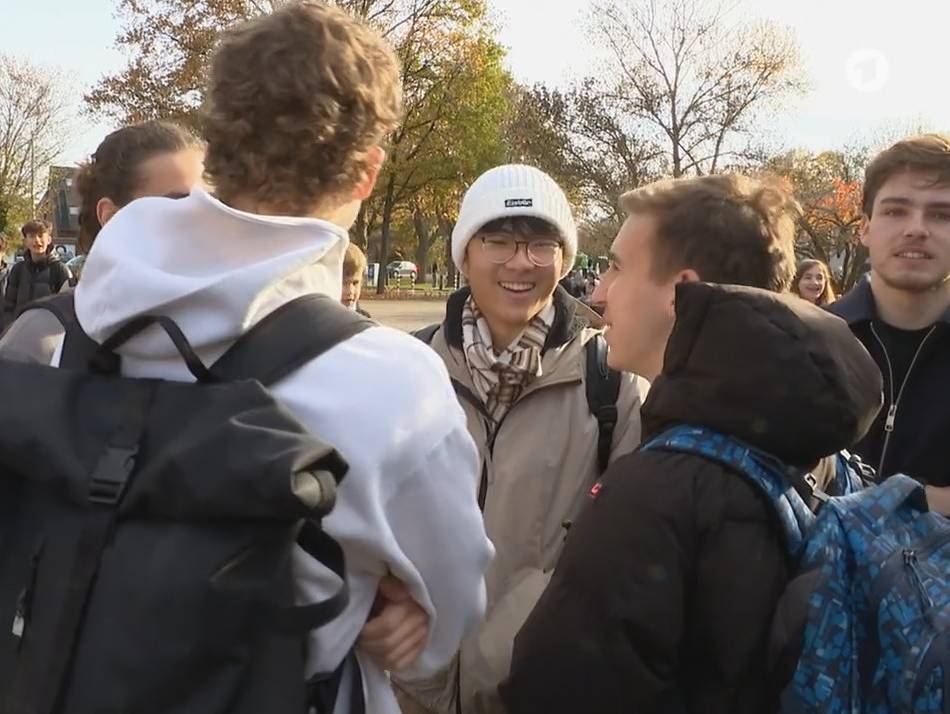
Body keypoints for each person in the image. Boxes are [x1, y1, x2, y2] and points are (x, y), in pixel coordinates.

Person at [70, 4, 492, 712]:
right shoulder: (395, 386)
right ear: (368, 172)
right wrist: (389, 598)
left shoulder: (90, 308)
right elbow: (448, 617)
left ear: (216, 147)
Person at [500, 174, 882, 714]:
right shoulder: (810, 441)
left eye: (617, 267)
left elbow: (556, 691)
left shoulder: (655, 494)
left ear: (680, 292)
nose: (599, 292)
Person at [390, 164, 650, 714]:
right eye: (498, 240)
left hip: (537, 687)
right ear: (464, 255)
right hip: (406, 687)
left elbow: (629, 555)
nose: (519, 262)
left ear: (565, 258)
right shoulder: (407, 370)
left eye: (540, 244)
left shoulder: (613, 385)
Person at [0, 120, 205, 365]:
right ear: (112, 218)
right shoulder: (41, 340)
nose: (206, 222)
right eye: (179, 205)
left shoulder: (231, 327)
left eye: (210, 205)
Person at [829, 133, 950, 513]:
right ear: (865, 228)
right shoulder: (808, 340)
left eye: (942, 215)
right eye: (896, 211)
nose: (916, 229)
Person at [2, 219, 70, 324]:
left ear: (49, 240)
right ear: (25, 241)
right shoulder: (18, 270)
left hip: (48, 330)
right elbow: (8, 307)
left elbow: (68, 309)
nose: (37, 240)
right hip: (20, 329)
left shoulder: (59, 270)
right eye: (32, 236)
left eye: (41, 236)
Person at [343, 241, 371, 317]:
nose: (350, 291)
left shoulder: (364, 319)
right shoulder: (319, 318)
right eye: (343, 283)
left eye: (355, 283)